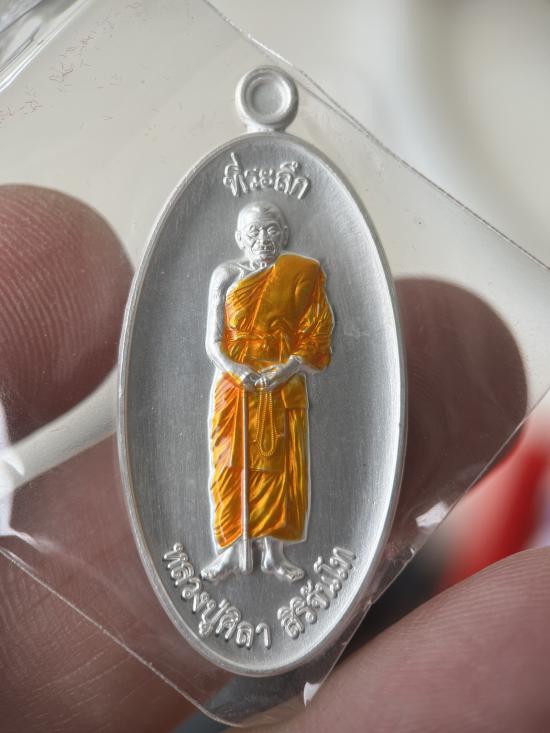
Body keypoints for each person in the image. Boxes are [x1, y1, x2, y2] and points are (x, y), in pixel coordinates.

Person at [200, 200, 334, 583]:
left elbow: (317, 332)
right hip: (235, 383)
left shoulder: (302, 274)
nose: (264, 239)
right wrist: (235, 370)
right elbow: (213, 341)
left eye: (272, 230)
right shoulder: (226, 275)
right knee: (230, 462)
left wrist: (287, 368)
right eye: (255, 232)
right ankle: (230, 551)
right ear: (240, 238)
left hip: (282, 380)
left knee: (280, 464)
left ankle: (274, 555)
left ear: (285, 235)